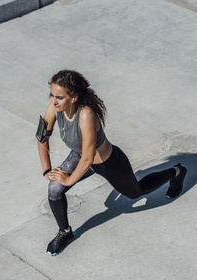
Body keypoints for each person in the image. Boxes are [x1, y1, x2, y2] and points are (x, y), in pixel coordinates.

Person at [37, 70, 187, 256]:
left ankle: (176, 172)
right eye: (52, 95)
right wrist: (47, 171)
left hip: (107, 162)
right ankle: (65, 232)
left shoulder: (86, 115)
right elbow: (41, 137)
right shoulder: (54, 107)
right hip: (79, 156)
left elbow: (88, 159)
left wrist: (68, 180)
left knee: (135, 192)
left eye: (59, 97)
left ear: (74, 97)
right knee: (54, 189)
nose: (53, 101)